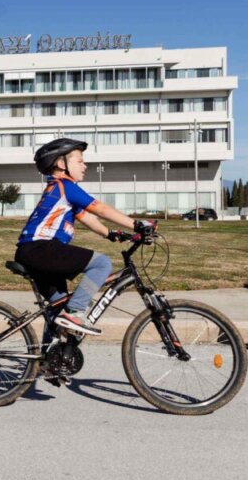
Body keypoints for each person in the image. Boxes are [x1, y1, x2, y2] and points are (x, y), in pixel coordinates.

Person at [15, 138, 153, 336]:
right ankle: (75, 312)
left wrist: (112, 234)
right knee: (102, 264)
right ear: (61, 164)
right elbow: (100, 209)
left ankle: (51, 354)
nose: (85, 165)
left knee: (57, 310)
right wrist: (138, 225)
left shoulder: (59, 191)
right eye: (79, 161)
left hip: (33, 252)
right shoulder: (65, 186)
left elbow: (89, 218)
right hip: (41, 249)